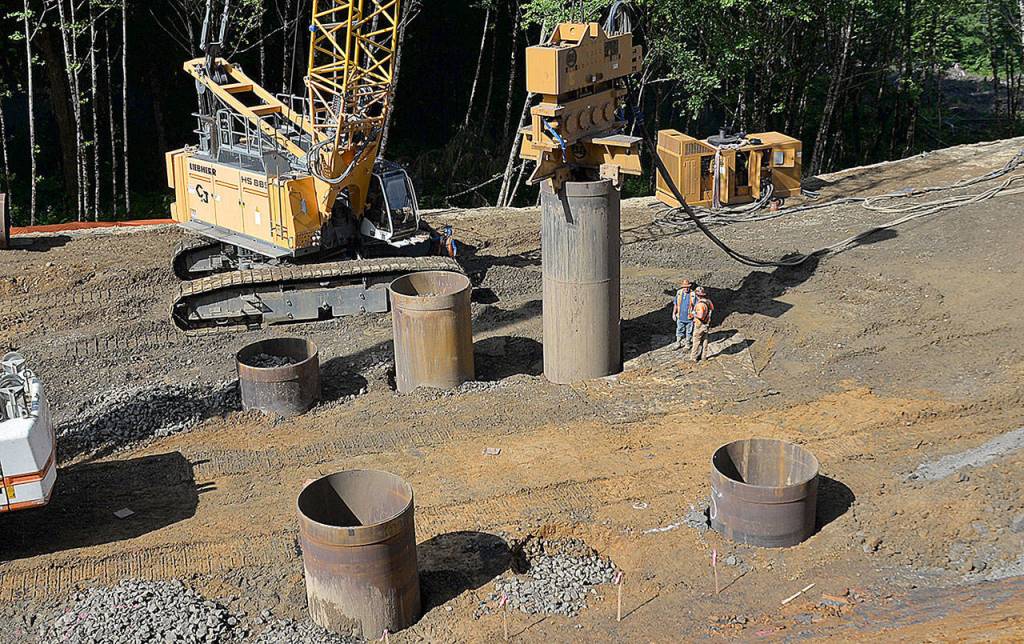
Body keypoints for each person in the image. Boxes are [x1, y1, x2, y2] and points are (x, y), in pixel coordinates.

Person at [690, 286, 715, 362]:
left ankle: (693, 358)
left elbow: (700, 316)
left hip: (699, 325)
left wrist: (694, 314)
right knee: (705, 340)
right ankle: (703, 357)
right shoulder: (708, 302)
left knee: (696, 341)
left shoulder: (700, 304)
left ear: (697, 295)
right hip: (706, 324)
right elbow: (712, 309)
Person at [672, 279, 696, 350]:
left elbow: (696, 306)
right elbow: (675, 304)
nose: (686, 288)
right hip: (680, 316)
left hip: (690, 318)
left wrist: (695, 316)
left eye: (687, 287)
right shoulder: (679, 293)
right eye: (685, 287)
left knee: (689, 331)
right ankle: (678, 343)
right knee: (679, 330)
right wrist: (674, 313)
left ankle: (687, 344)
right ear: (682, 287)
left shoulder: (693, 294)